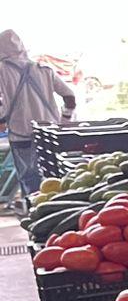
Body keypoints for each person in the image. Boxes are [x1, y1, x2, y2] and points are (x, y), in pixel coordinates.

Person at [0, 29, 76, 196]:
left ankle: (35, 214)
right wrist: (64, 121)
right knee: (56, 177)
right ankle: (58, 209)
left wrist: (2, 121)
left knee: (30, 180)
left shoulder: (2, 70)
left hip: (21, 135)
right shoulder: (45, 69)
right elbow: (69, 96)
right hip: (49, 133)